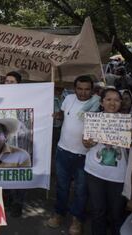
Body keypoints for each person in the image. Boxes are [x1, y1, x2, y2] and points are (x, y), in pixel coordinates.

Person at [47, 75, 94, 235]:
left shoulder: (97, 104)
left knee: (81, 190)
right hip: (63, 151)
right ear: (74, 89)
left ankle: (76, 219)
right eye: (79, 89)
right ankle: (59, 213)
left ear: (92, 90)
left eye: (87, 89)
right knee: (61, 186)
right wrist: (57, 116)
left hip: (84, 155)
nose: (83, 92)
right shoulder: (68, 99)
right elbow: (62, 115)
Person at [82, 88, 128, 235]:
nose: (112, 103)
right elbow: (85, 144)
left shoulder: (129, 122)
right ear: (102, 102)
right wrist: (88, 143)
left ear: (121, 103)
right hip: (94, 172)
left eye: (116, 100)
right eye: (108, 99)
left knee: (116, 214)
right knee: (98, 212)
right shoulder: (94, 119)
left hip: (119, 176)